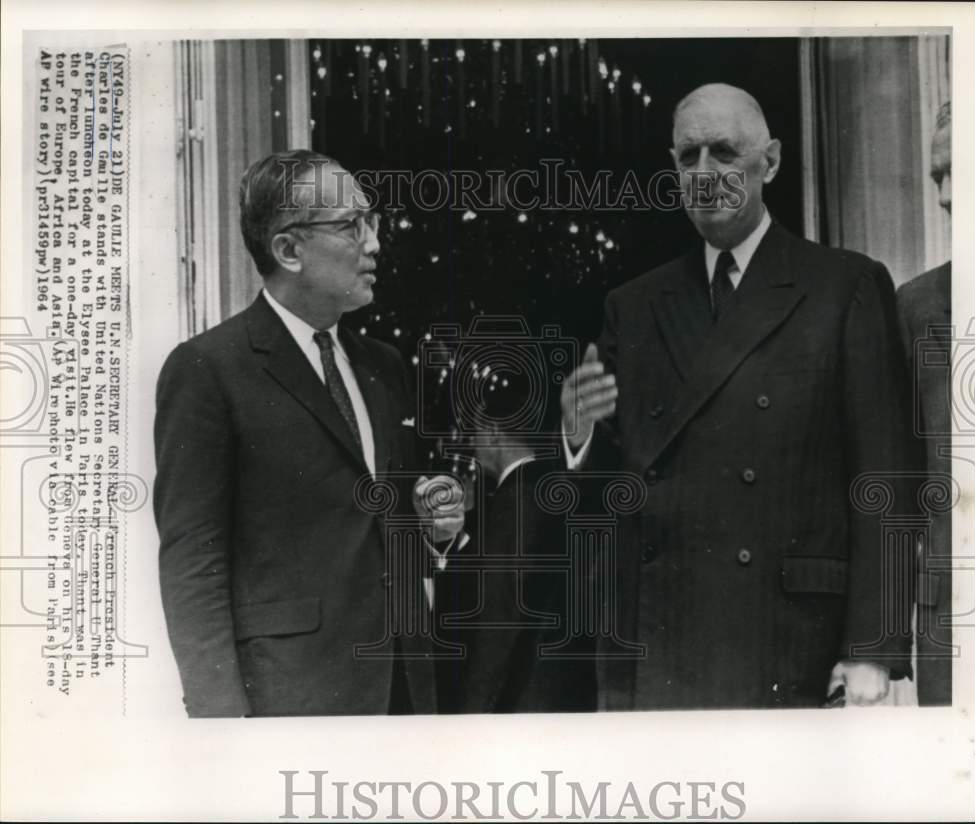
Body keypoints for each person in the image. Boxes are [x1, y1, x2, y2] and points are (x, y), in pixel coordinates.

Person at [560, 83, 913, 710]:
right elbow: (613, 492)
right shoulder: (636, 305)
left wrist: (871, 648)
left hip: (790, 637)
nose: (704, 173)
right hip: (660, 636)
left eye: (724, 152)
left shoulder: (844, 286)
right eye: (687, 156)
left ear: (769, 162)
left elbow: (881, 475)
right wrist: (580, 434)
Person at [153, 150, 463, 717]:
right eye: (351, 226)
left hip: (405, 690)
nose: (373, 243)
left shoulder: (384, 365)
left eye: (372, 222)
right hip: (288, 701)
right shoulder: (207, 369)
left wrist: (434, 530)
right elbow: (192, 561)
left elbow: (381, 524)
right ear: (289, 250)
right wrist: (221, 726)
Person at [433, 368, 598, 713]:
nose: (471, 443)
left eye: (474, 431)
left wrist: (472, 716)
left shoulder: (515, 504)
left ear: (492, 432)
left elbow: (499, 625)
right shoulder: (548, 493)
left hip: (518, 707)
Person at [896, 101, 952, 706]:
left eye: (962, 170)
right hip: (951, 627)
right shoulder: (914, 307)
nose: (945, 195)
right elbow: (894, 485)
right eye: (937, 175)